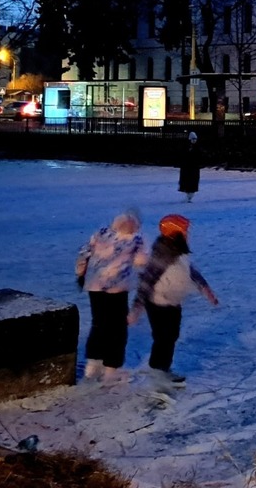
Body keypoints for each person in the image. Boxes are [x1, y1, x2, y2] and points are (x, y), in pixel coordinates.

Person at [128, 214, 220, 387]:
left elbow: (191, 271)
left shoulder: (178, 251)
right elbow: (146, 281)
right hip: (157, 302)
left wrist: (205, 289)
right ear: (174, 233)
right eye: (185, 231)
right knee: (164, 337)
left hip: (172, 301)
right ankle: (158, 370)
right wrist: (136, 308)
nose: (187, 234)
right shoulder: (163, 254)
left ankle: (161, 367)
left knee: (171, 335)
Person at [75, 208, 148, 382]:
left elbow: (84, 252)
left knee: (99, 323)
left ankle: (92, 366)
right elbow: (141, 261)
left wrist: (80, 273)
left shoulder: (101, 233)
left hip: (95, 285)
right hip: (117, 288)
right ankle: (111, 368)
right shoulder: (135, 239)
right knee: (117, 328)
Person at [178, 131, 203, 202]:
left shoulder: (197, 147)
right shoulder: (186, 147)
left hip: (194, 168)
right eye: (193, 139)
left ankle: (189, 196)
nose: (194, 140)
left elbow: (199, 156)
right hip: (187, 168)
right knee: (187, 182)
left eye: (195, 139)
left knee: (193, 182)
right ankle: (188, 195)